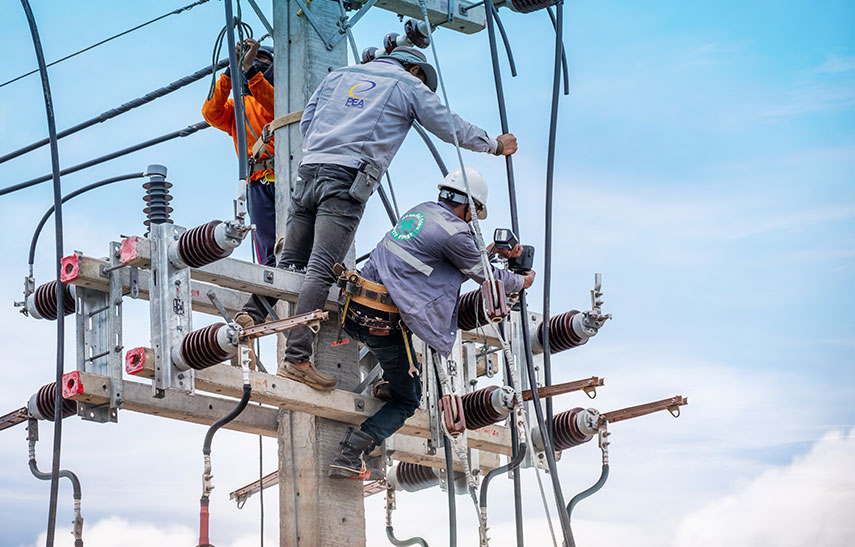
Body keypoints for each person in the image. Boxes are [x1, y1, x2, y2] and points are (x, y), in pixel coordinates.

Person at [236, 46, 519, 391]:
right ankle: (297, 359)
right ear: (414, 69)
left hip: (309, 170)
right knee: (321, 266)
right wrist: (494, 145)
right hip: (347, 179)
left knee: (290, 258)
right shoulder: (407, 85)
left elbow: (308, 122)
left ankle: (250, 314)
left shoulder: (339, 75)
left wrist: (324, 151)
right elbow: (449, 126)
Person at [327, 168, 535, 479]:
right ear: (468, 206)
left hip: (354, 310)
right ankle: (350, 452)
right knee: (408, 399)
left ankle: (387, 381)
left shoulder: (421, 212)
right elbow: (491, 278)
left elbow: (438, 261)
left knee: (409, 338)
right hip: (381, 324)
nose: (472, 220)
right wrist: (522, 281)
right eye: (475, 213)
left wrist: (488, 251)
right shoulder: (457, 233)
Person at [202, 38, 278, 267]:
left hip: (288, 176)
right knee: (269, 249)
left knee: (298, 240)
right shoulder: (238, 107)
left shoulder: (283, 96)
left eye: (262, 59)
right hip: (258, 183)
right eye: (254, 58)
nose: (256, 62)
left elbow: (276, 106)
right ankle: (274, 289)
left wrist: (250, 70)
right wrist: (231, 70)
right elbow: (211, 113)